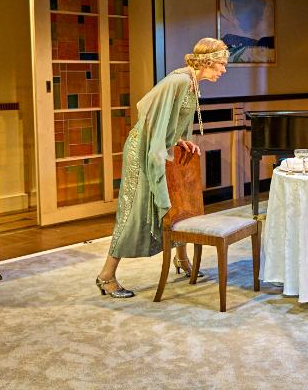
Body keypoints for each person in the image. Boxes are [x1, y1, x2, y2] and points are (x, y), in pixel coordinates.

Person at [96, 38, 229, 297]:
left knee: (178, 202)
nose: (224, 70)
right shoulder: (178, 81)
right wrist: (160, 149)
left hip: (160, 146)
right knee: (134, 209)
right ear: (208, 61)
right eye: (222, 64)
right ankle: (106, 275)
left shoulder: (192, 83)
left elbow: (169, 120)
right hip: (145, 149)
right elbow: (148, 111)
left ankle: (181, 257)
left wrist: (177, 140)